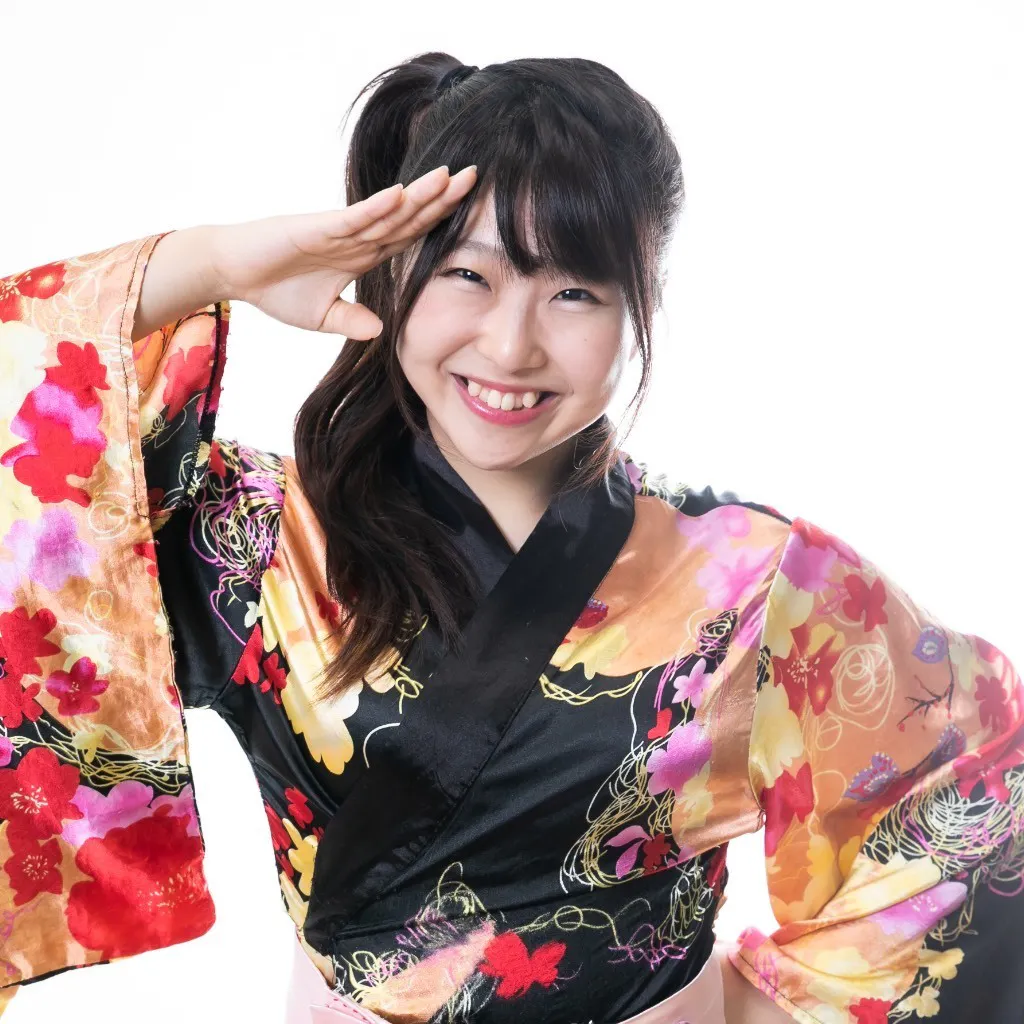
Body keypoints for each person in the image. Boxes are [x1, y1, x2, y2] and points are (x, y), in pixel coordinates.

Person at [0, 51, 1021, 1024]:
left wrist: (758, 1009)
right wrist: (215, 261)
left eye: (573, 291)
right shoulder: (264, 540)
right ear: (393, 271)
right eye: (467, 275)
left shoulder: (753, 584)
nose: (510, 344)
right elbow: (30, 445)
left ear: (642, 304)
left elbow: (970, 783)